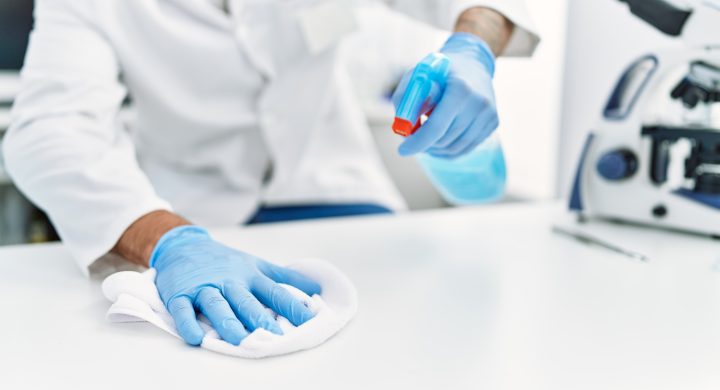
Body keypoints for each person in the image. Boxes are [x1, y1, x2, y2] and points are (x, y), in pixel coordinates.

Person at [3, 0, 538, 346]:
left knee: (414, 344)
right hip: (196, 225)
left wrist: (473, 48)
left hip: (342, 195)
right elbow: (52, 130)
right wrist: (171, 242)